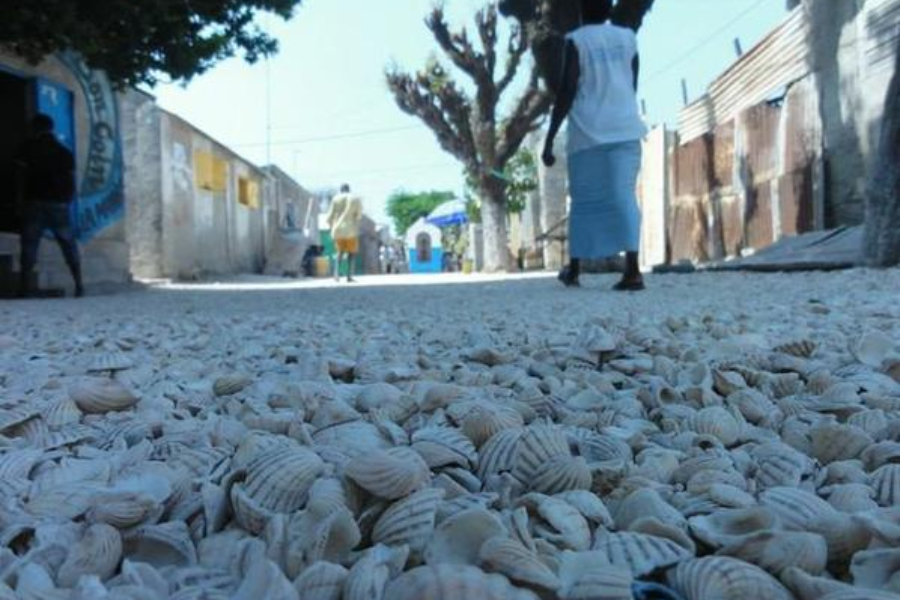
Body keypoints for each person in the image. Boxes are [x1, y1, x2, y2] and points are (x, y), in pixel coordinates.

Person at [541, 0, 648, 290]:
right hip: (625, 129)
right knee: (623, 196)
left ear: (580, 11)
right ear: (609, 9)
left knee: (584, 202)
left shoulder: (576, 41)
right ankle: (633, 269)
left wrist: (550, 137)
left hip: (588, 134)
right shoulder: (628, 38)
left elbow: (567, 89)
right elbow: (631, 82)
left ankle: (574, 270)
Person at [14, 114, 83, 298]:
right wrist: (66, 200)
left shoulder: (27, 149)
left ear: (36, 128)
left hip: (34, 203)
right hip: (58, 205)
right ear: (51, 128)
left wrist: (19, 202)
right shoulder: (64, 152)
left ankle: (24, 288)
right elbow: (71, 182)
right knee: (68, 245)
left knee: (29, 246)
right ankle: (79, 285)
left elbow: (20, 178)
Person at [326, 184, 363, 282]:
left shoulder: (335, 199)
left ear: (341, 190)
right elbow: (359, 215)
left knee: (339, 253)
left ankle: (336, 274)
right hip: (351, 230)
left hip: (338, 230)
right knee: (351, 253)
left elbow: (329, 216)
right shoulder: (355, 198)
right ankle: (349, 276)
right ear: (349, 189)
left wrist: (331, 227)